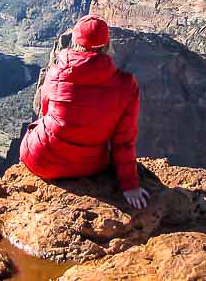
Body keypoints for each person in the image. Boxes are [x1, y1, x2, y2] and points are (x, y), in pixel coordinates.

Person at [19, 15, 150, 209]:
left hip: (41, 159)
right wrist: (130, 185)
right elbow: (123, 141)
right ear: (107, 45)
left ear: (75, 42)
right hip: (89, 167)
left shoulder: (56, 72)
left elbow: (46, 113)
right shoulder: (126, 85)